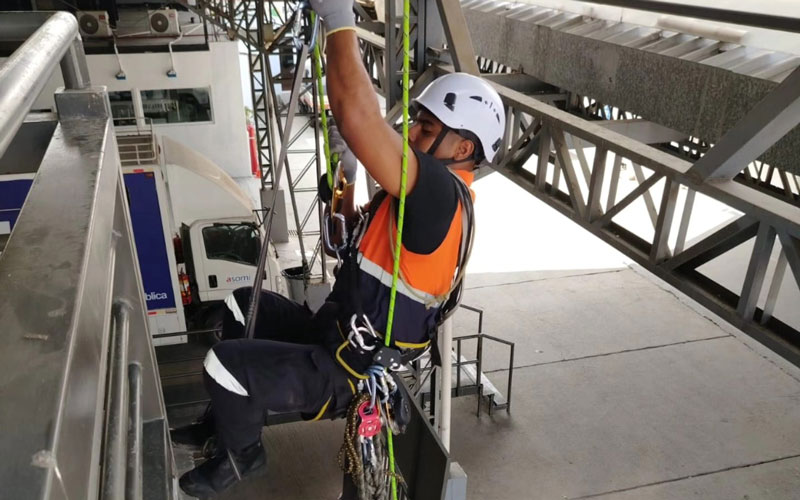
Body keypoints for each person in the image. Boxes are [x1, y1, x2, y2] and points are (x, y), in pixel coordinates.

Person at [173, 0, 506, 495]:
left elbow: (357, 116)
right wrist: (346, 201)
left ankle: (241, 458)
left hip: (346, 370)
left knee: (223, 363)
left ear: (464, 149)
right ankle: (222, 426)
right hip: (330, 332)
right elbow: (355, 252)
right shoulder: (408, 202)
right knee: (240, 305)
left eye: (427, 129)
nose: (411, 133)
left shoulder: (440, 195)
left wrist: (338, 19)